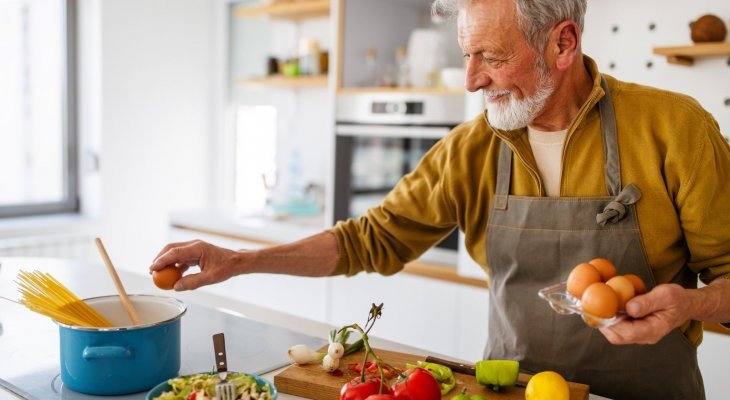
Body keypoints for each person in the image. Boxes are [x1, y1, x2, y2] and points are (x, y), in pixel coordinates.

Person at [150, 0, 730, 398]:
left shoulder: (674, 130)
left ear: (564, 43)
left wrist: (692, 305)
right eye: (466, 55)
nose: (471, 80)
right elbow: (371, 238)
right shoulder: (471, 149)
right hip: (508, 393)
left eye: (492, 57)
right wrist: (241, 261)